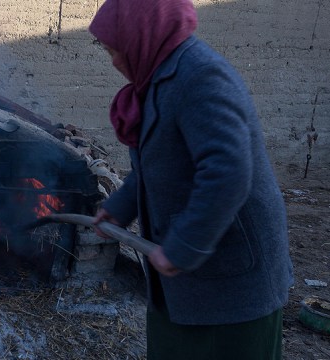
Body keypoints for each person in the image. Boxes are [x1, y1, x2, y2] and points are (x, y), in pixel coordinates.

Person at [88, 0, 294, 359]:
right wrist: (119, 208)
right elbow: (156, 165)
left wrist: (185, 245)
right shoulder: (158, 76)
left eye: (115, 51)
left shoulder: (199, 76)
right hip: (187, 283)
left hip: (231, 282)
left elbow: (227, 172)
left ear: (141, 36)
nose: (115, 63)